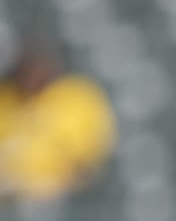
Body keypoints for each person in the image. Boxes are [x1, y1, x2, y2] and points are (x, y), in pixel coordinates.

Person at [0, 41, 115, 203]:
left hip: (67, 201)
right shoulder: (5, 99)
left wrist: (50, 186)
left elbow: (90, 166)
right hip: (10, 202)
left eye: (38, 68)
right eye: (27, 69)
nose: (32, 75)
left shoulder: (78, 98)